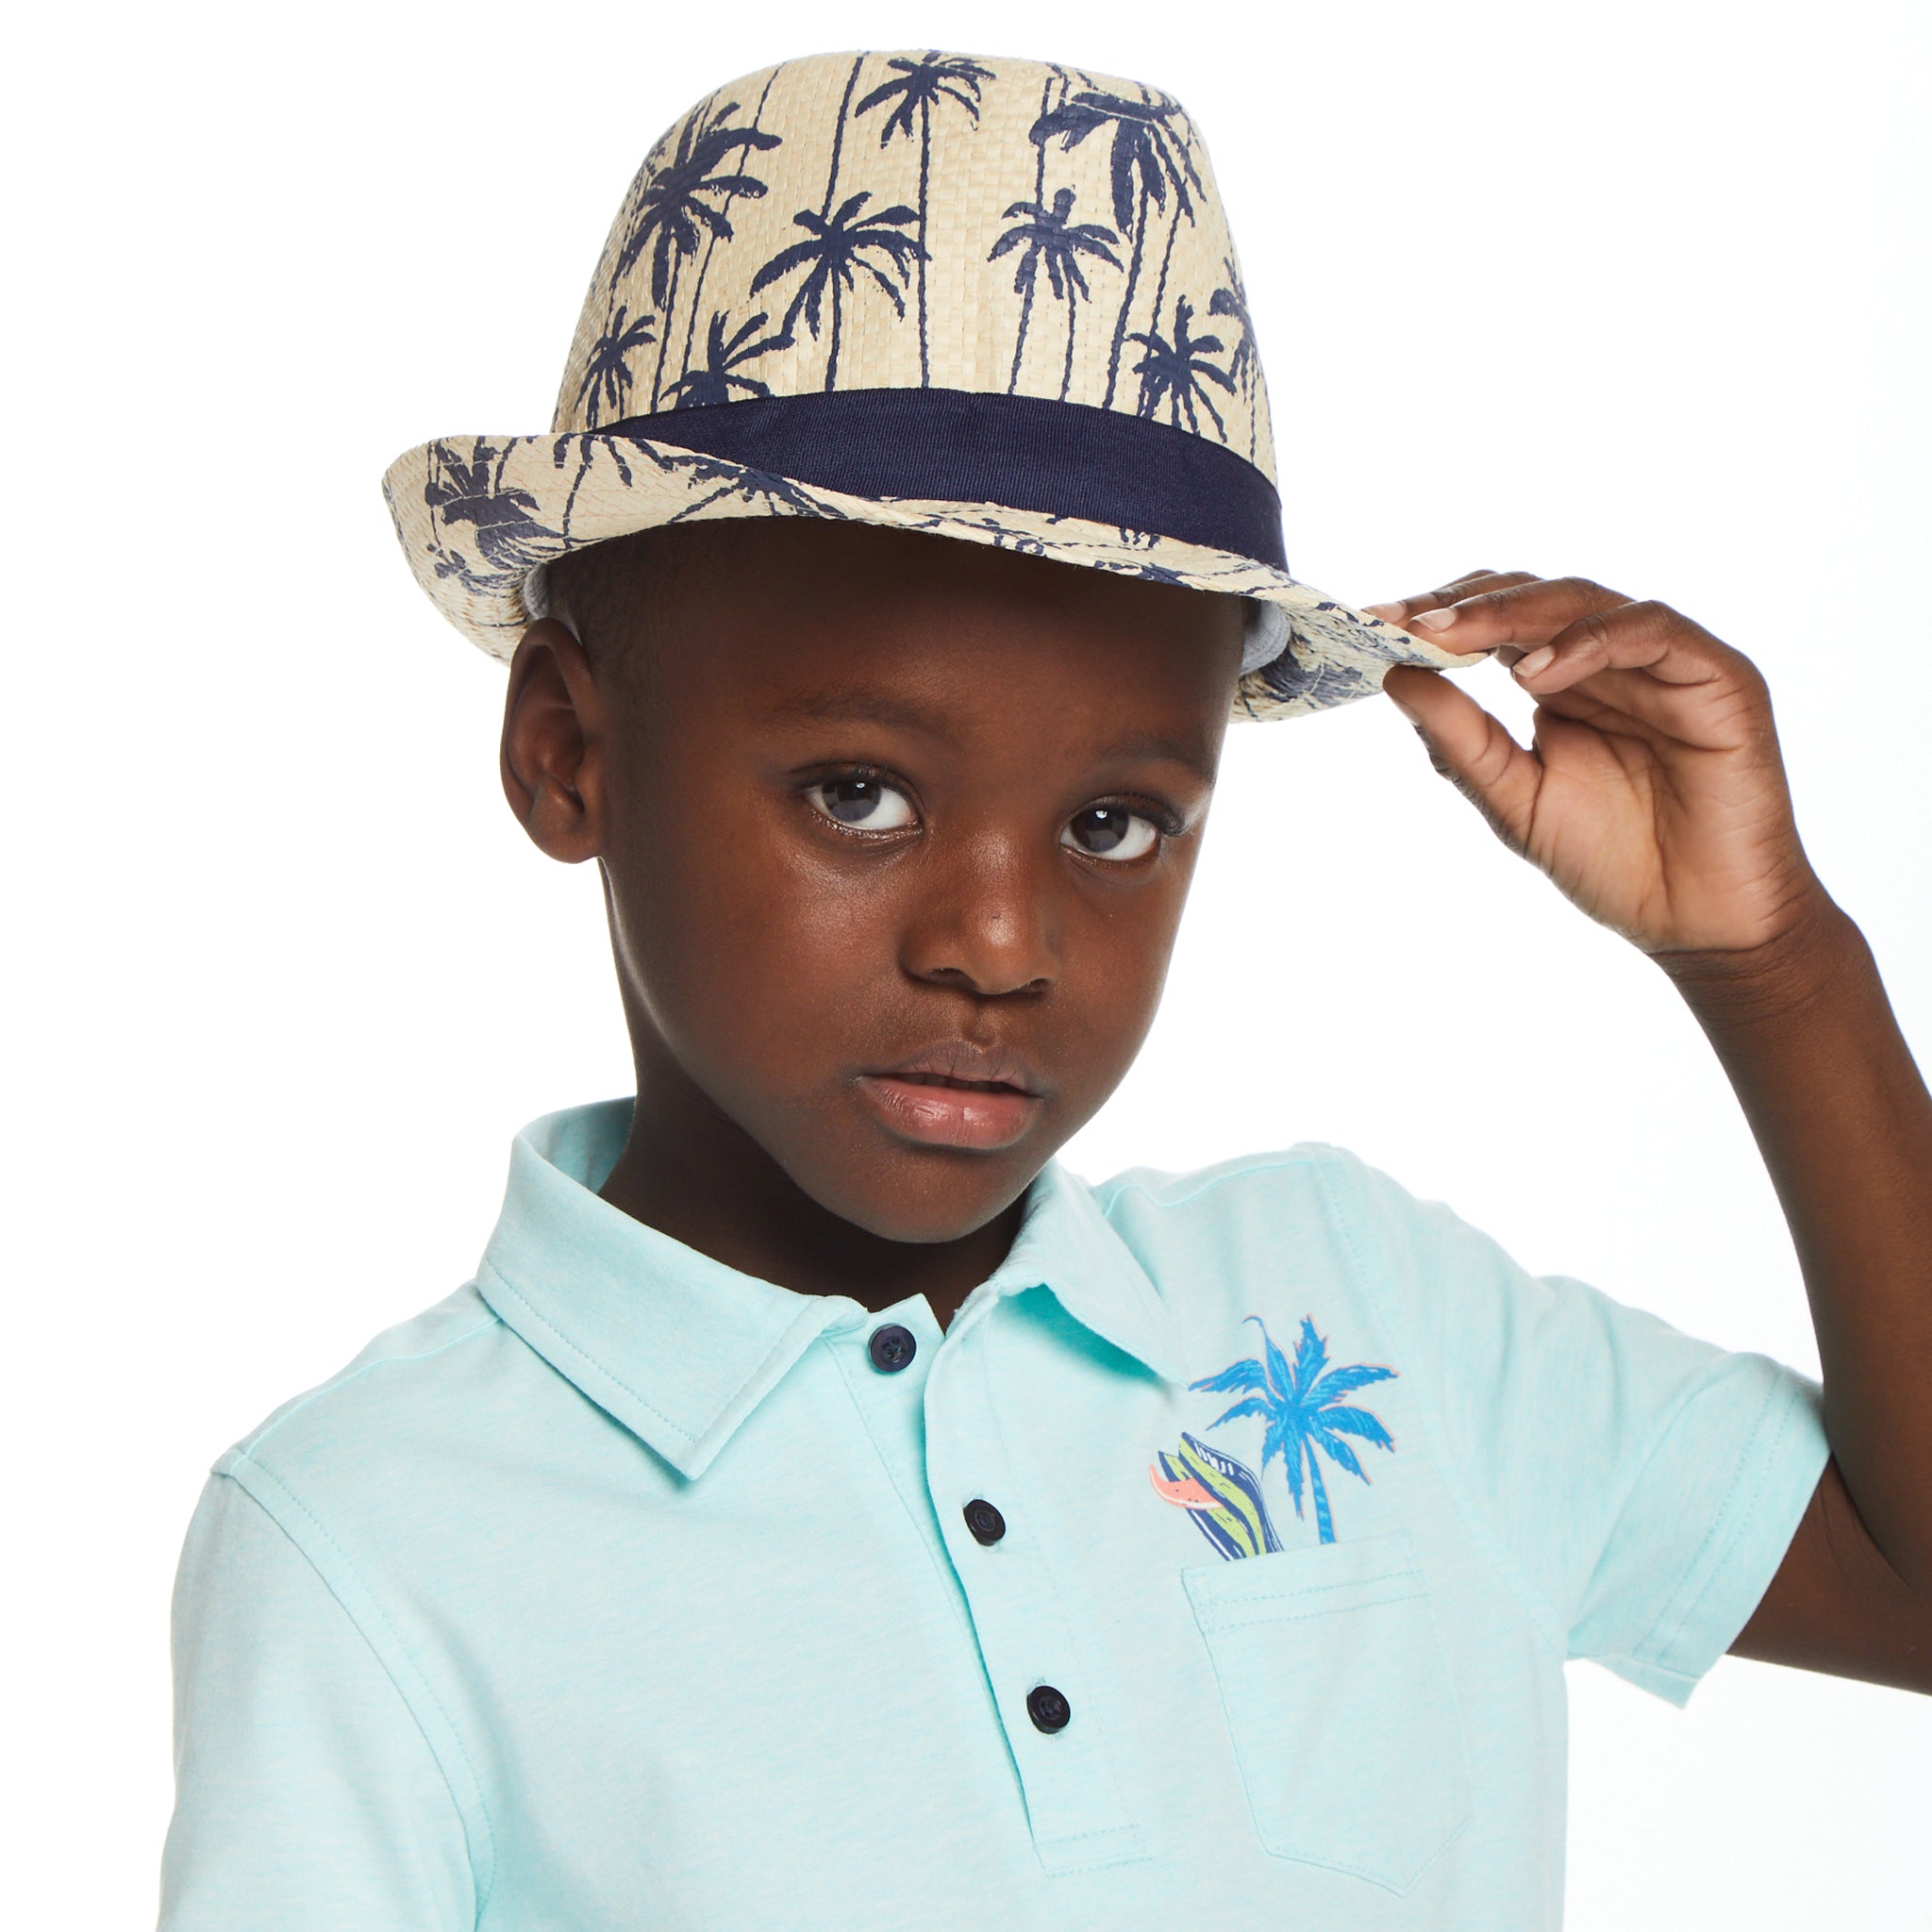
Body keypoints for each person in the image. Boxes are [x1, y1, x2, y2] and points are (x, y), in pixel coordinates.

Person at [158, 47, 1930, 1931]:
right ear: (567, 752)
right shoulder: (374, 1541)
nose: (999, 945)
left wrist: (1774, 965)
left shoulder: (1366, 1319)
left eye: (1111, 823)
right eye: (859, 794)